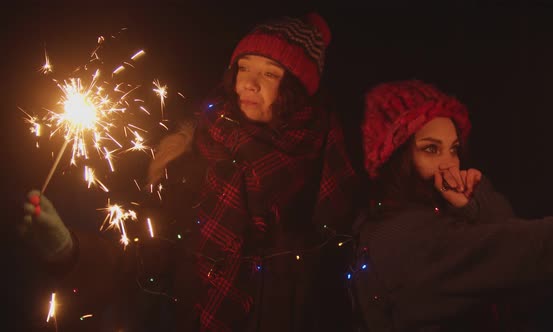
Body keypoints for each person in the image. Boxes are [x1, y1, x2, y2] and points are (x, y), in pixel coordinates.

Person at [19, 12, 358, 331]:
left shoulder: (327, 173)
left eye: (270, 73)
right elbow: (146, 265)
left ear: (298, 88)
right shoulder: (193, 159)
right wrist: (68, 249)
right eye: (243, 68)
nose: (249, 84)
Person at [351, 80, 553, 331]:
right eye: (431, 149)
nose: (449, 164)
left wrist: (469, 206)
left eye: (453, 150)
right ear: (396, 157)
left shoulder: (427, 211)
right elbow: (510, 250)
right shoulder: (400, 233)